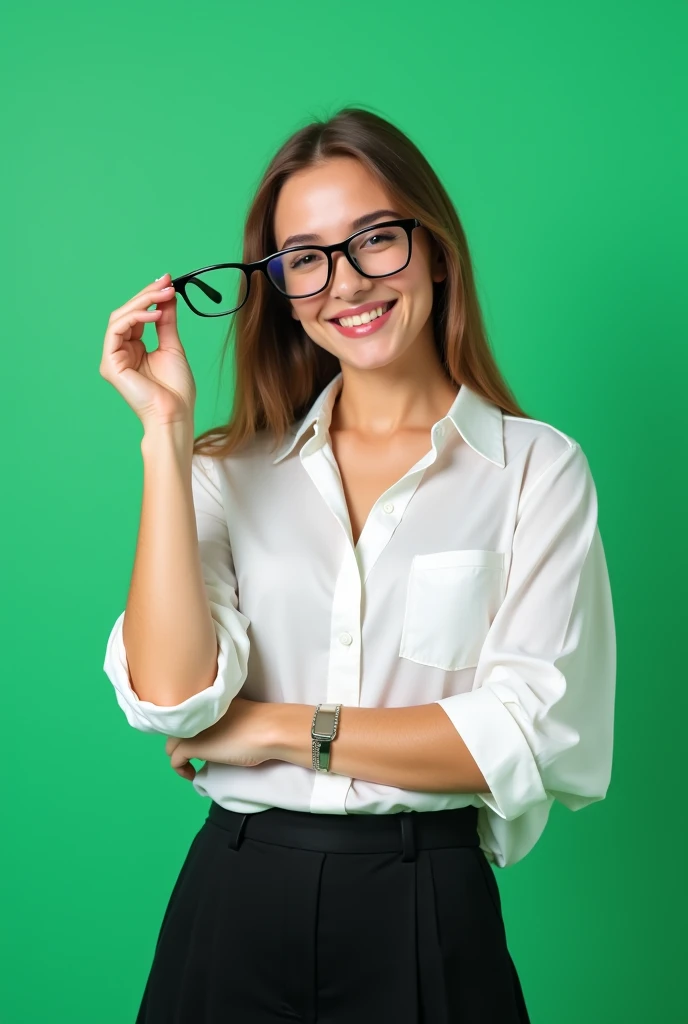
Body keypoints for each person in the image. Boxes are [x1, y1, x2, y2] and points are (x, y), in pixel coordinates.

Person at [100, 107, 616, 1023]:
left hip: (429, 903)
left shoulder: (538, 470)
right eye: (305, 257)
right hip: (235, 895)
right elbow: (175, 698)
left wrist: (270, 730)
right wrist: (165, 437)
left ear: (437, 249)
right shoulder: (224, 471)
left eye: (375, 239)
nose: (346, 284)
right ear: (281, 289)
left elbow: (529, 737)